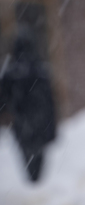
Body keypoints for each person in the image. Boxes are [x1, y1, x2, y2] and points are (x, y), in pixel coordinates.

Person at [0, 27, 56, 182]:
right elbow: (51, 104)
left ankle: (32, 184)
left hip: (21, 127)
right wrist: (52, 130)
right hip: (40, 127)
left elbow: (2, 101)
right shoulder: (41, 71)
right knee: (39, 168)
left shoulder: (10, 73)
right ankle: (37, 185)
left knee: (28, 166)